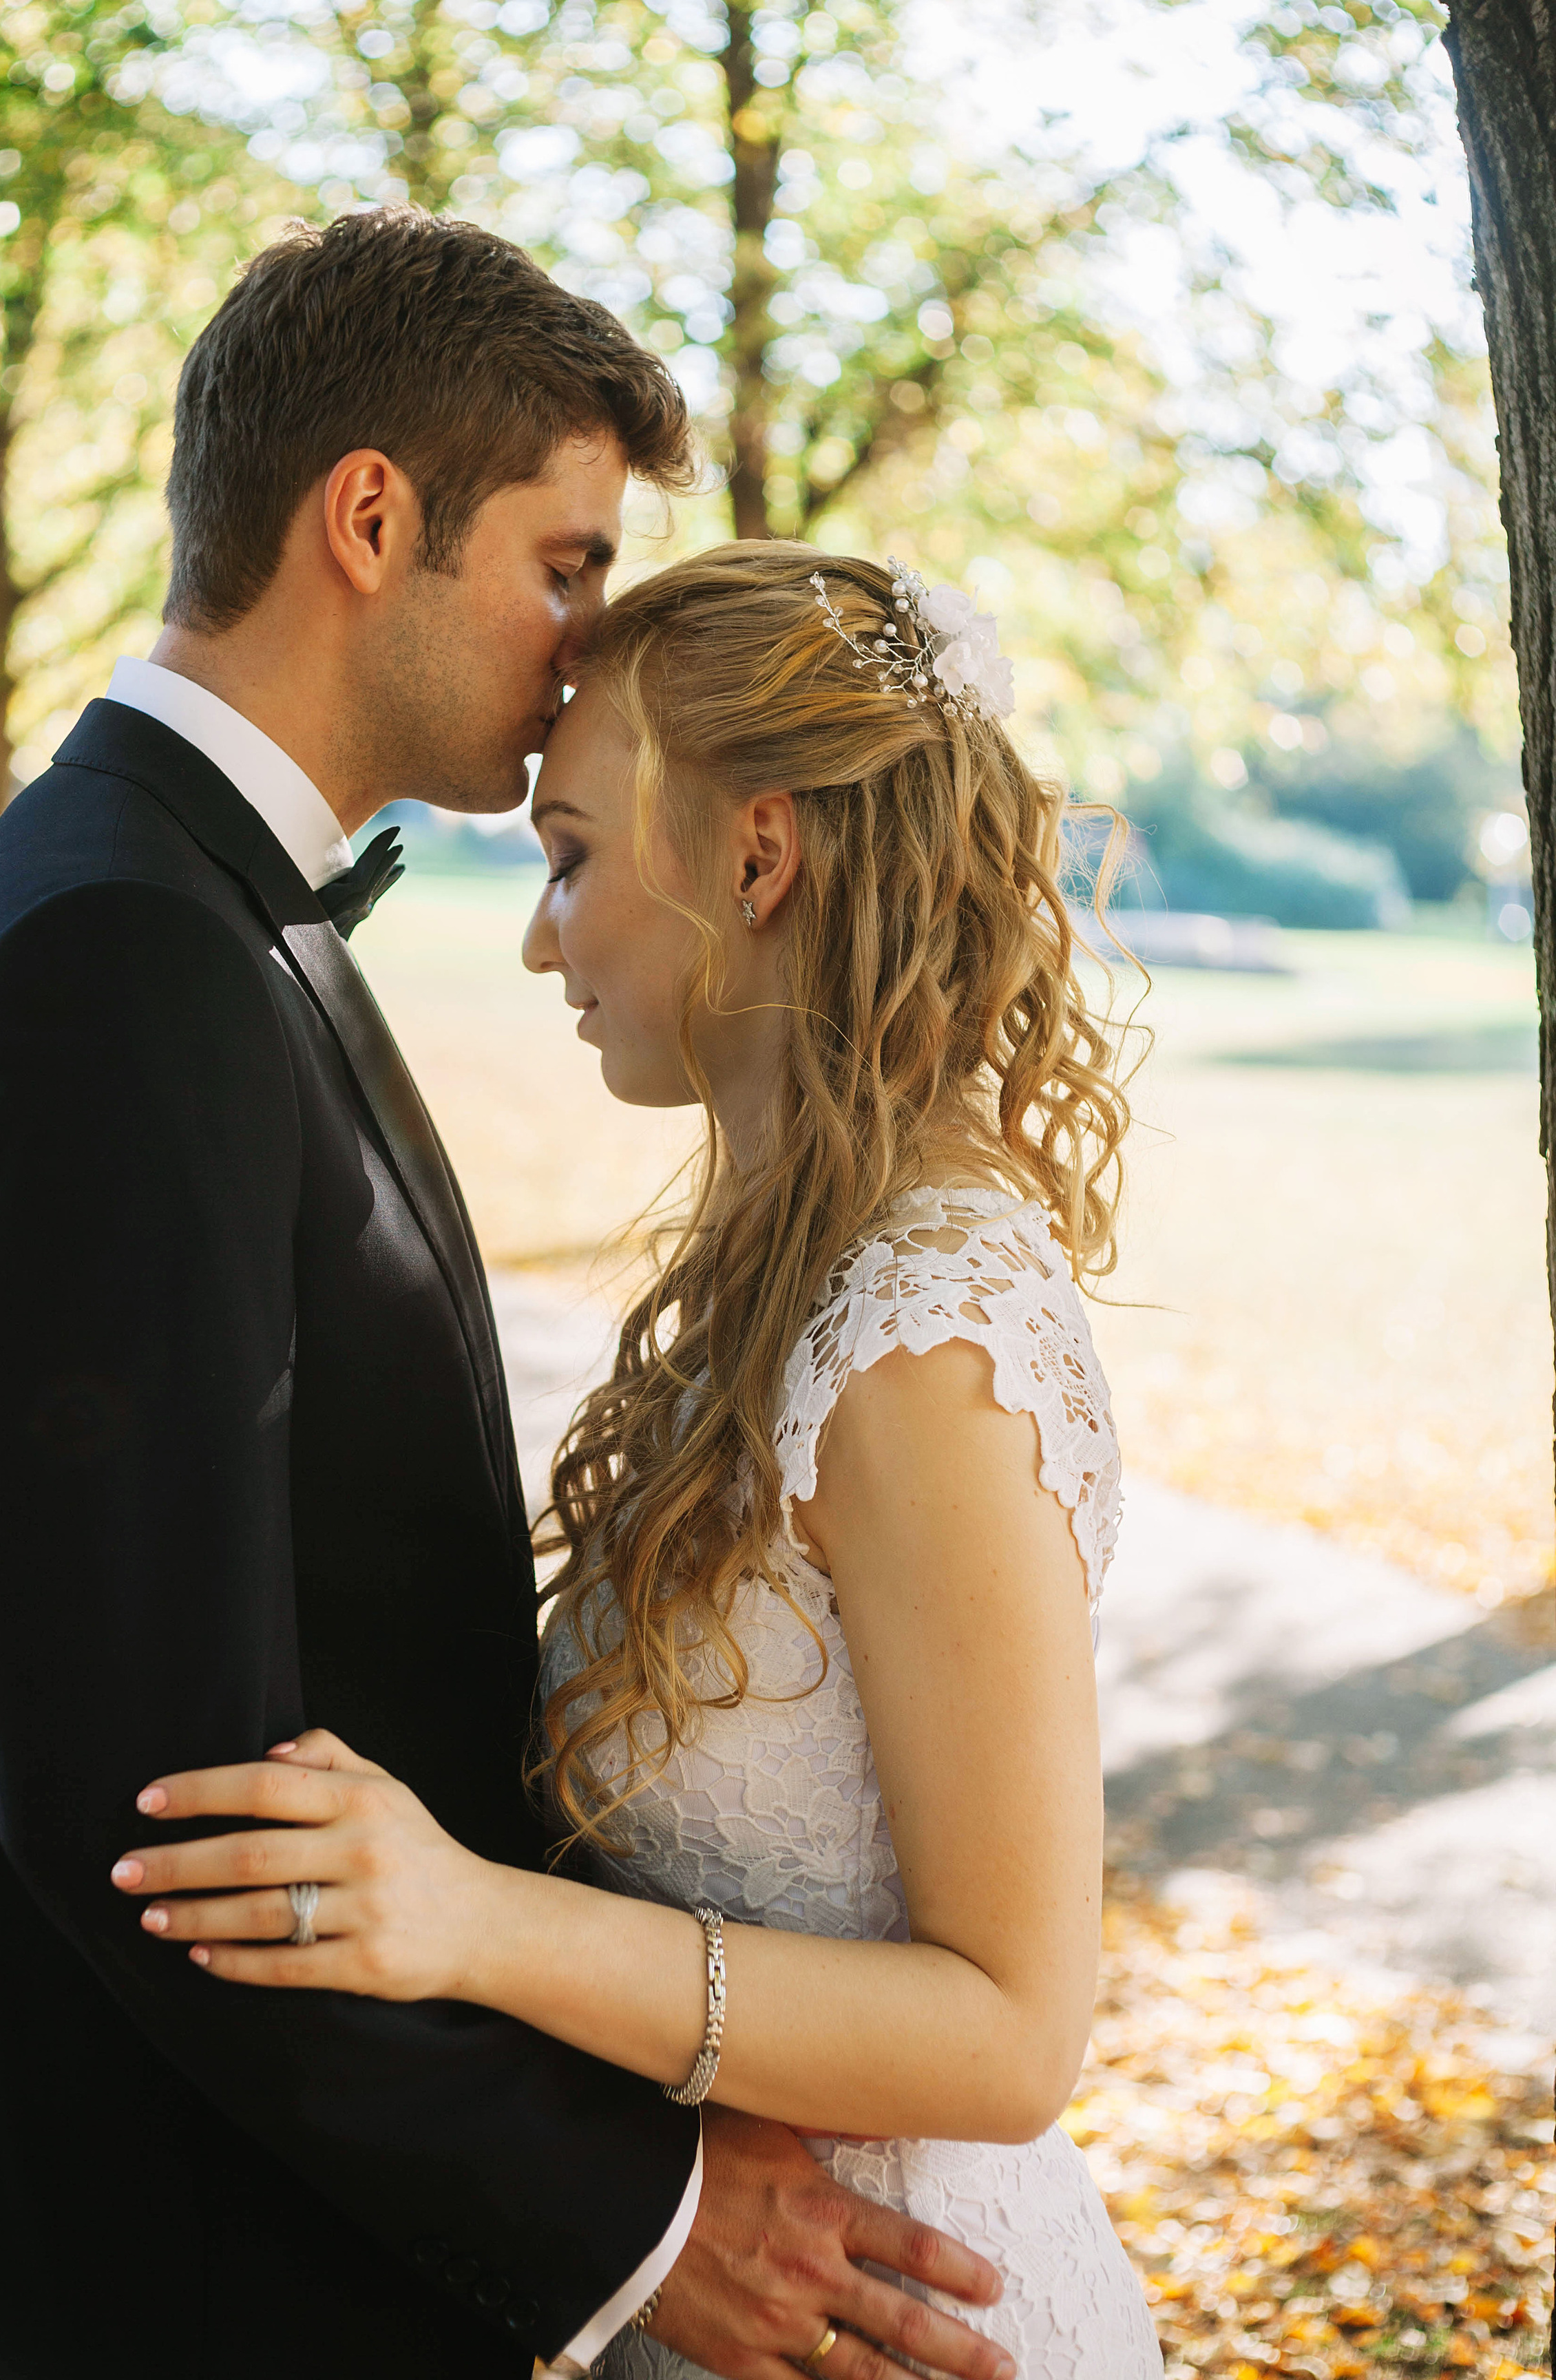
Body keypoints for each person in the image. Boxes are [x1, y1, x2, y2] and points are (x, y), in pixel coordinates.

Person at [0, 217, 1011, 2380]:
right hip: (144, 2284)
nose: (586, 645)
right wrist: (630, 2219)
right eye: (562, 564)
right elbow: (162, 1808)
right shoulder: (122, 961)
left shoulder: (189, 916)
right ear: (370, 518)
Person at [107, 540, 1166, 2380]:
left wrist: (466, 1922)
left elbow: (1012, 2033)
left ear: (757, 856)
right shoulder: (783, 1279)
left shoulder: (928, 1338)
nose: (540, 936)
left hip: (904, 2322)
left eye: (574, 855)